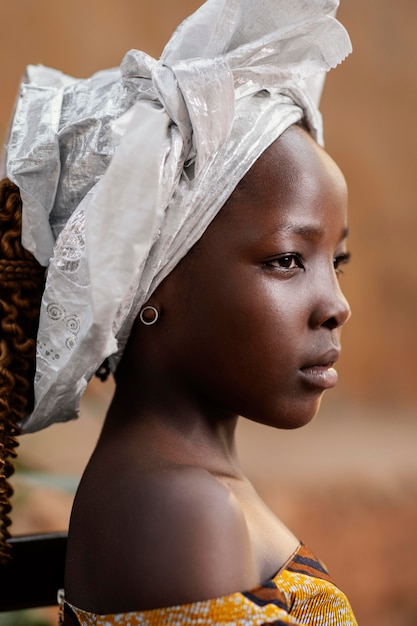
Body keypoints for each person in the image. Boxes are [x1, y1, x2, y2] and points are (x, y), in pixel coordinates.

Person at [0, 0, 358, 623]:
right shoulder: (179, 510)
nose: (336, 305)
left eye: (337, 261)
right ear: (150, 284)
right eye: (287, 260)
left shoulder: (183, 486)